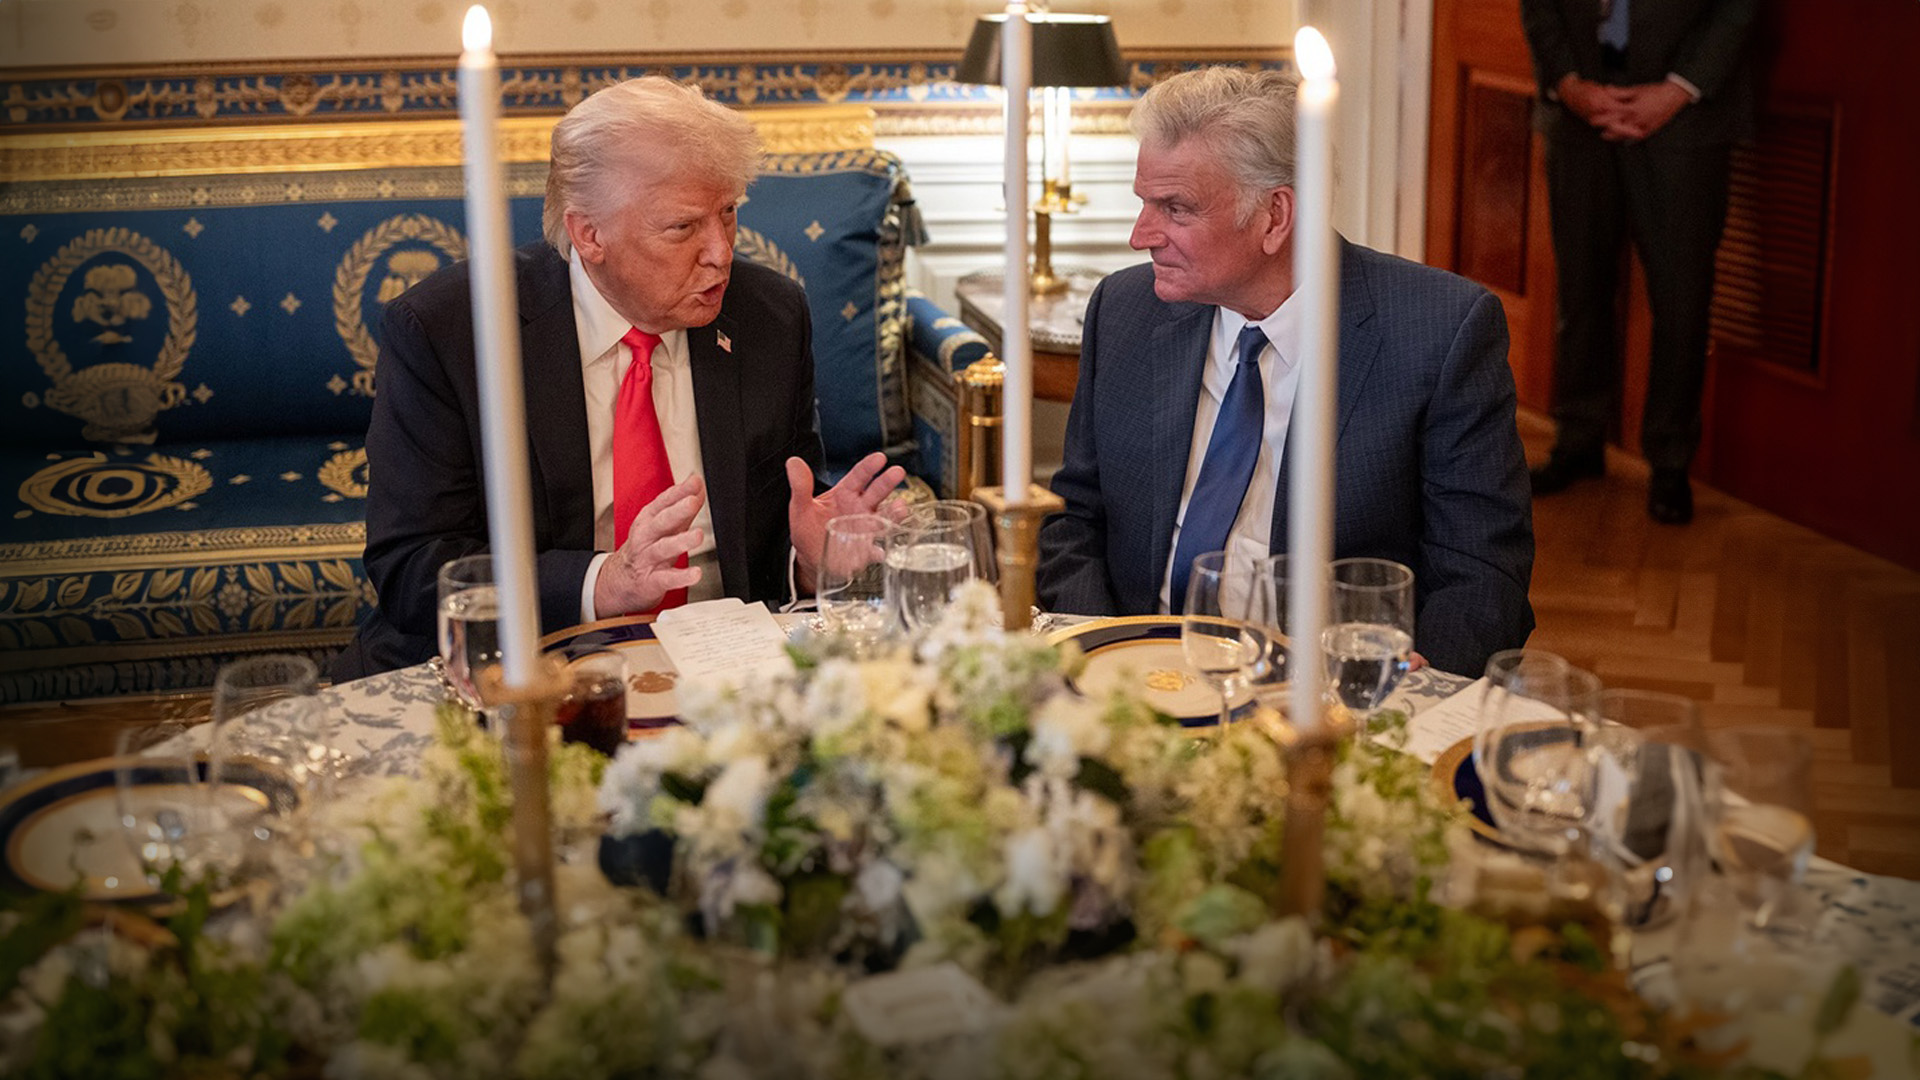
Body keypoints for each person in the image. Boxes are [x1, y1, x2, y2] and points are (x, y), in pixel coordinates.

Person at [335, 77, 904, 679]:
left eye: (728, 213)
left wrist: (809, 562)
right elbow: (415, 568)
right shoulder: (454, 329)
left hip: (721, 669)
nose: (720, 252)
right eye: (682, 228)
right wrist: (602, 583)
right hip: (525, 668)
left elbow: (777, 529)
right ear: (589, 235)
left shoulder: (769, 315)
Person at [1037, 66, 1534, 677]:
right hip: (1135, 673)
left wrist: (1404, 692)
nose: (1142, 235)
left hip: (1326, 693)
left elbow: (1481, 572)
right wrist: (1102, 656)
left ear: (1274, 216)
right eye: (1145, 203)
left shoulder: (1439, 331)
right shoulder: (1125, 309)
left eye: (1175, 208)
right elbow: (1074, 518)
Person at [1520, 0, 1758, 524]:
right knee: (1579, 292)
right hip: (1577, 116)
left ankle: (1670, 461)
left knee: (1682, 299)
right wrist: (1569, 84)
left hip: (1687, 121)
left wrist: (1677, 90)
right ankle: (1578, 440)